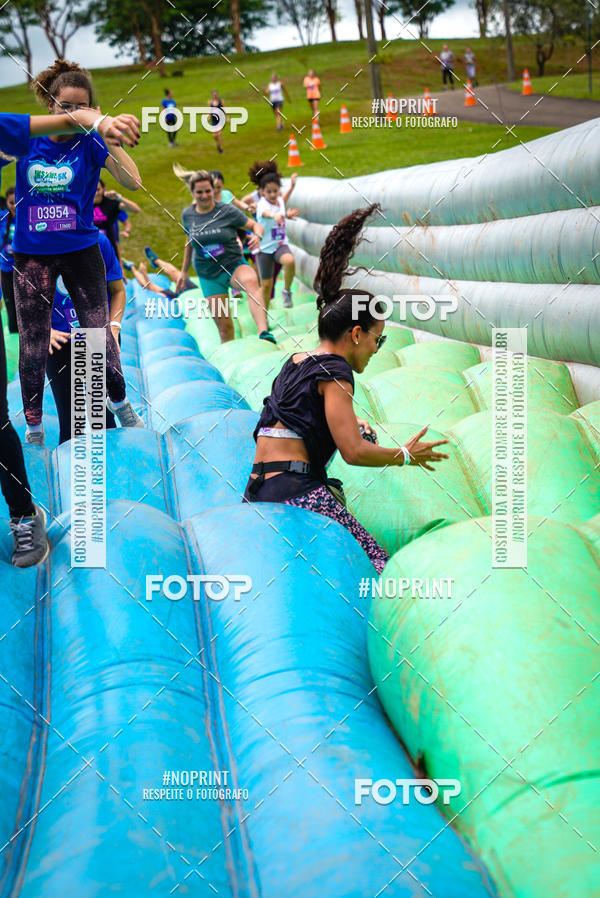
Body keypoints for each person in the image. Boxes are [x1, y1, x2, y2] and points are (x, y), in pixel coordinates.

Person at [243, 205, 449, 573]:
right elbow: (352, 453)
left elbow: (297, 417)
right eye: (378, 341)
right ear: (356, 334)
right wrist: (403, 455)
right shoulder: (337, 370)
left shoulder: (296, 361)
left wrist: (355, 422)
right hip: (295, 494)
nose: (375, 350)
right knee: (378, 567)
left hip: (256, 493)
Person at [0, 103, 139, 566]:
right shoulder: (22, 254)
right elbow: (15, 303)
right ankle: (40, 432)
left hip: (83, 335)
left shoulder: (95, 243)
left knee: (92, 364)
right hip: (55, 338)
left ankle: (116, 412)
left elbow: (132, 181)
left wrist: (103, 127)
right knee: (41, 356)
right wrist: (46, 329)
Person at [12, 58, 144, 448]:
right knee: (32, 345)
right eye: (65, 105)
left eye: (81, 107)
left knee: (98, 335)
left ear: (92, 110)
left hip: (82, 249)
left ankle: (120, 404)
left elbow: (133, 182)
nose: (72, 113)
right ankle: (34, 427)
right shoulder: (27, 139)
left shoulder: (91, 141)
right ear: (51, 105)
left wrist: (111, 139)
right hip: (32, 255)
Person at [175, 170, 274, 344]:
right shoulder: (188, 215)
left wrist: (257, 236)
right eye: (199, 192)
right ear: (192, 193)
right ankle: (229, 358)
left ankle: (263, 331)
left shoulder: (227, 211)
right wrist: (183, 271)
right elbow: (189, 241)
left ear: (214, 190)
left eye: (208, 191)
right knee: (225, 328)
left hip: (233, 265)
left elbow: (255, 225)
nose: (204, 195)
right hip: (208, 275)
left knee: (251, 280)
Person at [48, 231, 124, 443]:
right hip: (59, 341)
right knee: (71, 420)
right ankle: (71, 473)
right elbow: (25, 299)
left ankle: (112, 471)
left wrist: (114, 328)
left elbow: (118, 290)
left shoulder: (98, 241)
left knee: (102, 416)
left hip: (95, 336)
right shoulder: (35, 246)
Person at [255, 169, 299, 310]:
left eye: (275, 190)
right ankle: (264, 314)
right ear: (262, 192)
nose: (273, 194)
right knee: (266, 286)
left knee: (290, 261)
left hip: (280, 245)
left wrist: (286, 214)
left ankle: (286, 291)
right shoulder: (262, 204)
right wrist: (274, 216)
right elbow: (266, 213)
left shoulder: (279, 200)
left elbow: (282, 202)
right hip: (264, 249)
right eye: (269, 192)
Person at [93, 179, 141, 258]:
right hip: (90, 249)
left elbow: (136, 210)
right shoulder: (83, 204)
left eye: (98, 190)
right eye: (93, 189)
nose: (95, 193)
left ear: (103, 189)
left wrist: (119, 197)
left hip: (109, 248)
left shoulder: (111, 203)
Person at [124, 252, 196, 298]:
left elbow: (150, 286)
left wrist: (144, 273)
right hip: (194, 292)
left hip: (180, 298)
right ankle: (155, 260)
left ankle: (131, 267)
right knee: (175, 272)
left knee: (146, 285)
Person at [0, 186, 17, 332]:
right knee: (10, 304)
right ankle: (15, 337)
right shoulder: (2, 218)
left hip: (25, 270)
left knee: (26, 305)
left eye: (17, 202)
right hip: (6, 269)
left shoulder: (28, 217)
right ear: (7, 203)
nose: (14, 206)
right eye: (11, 203)